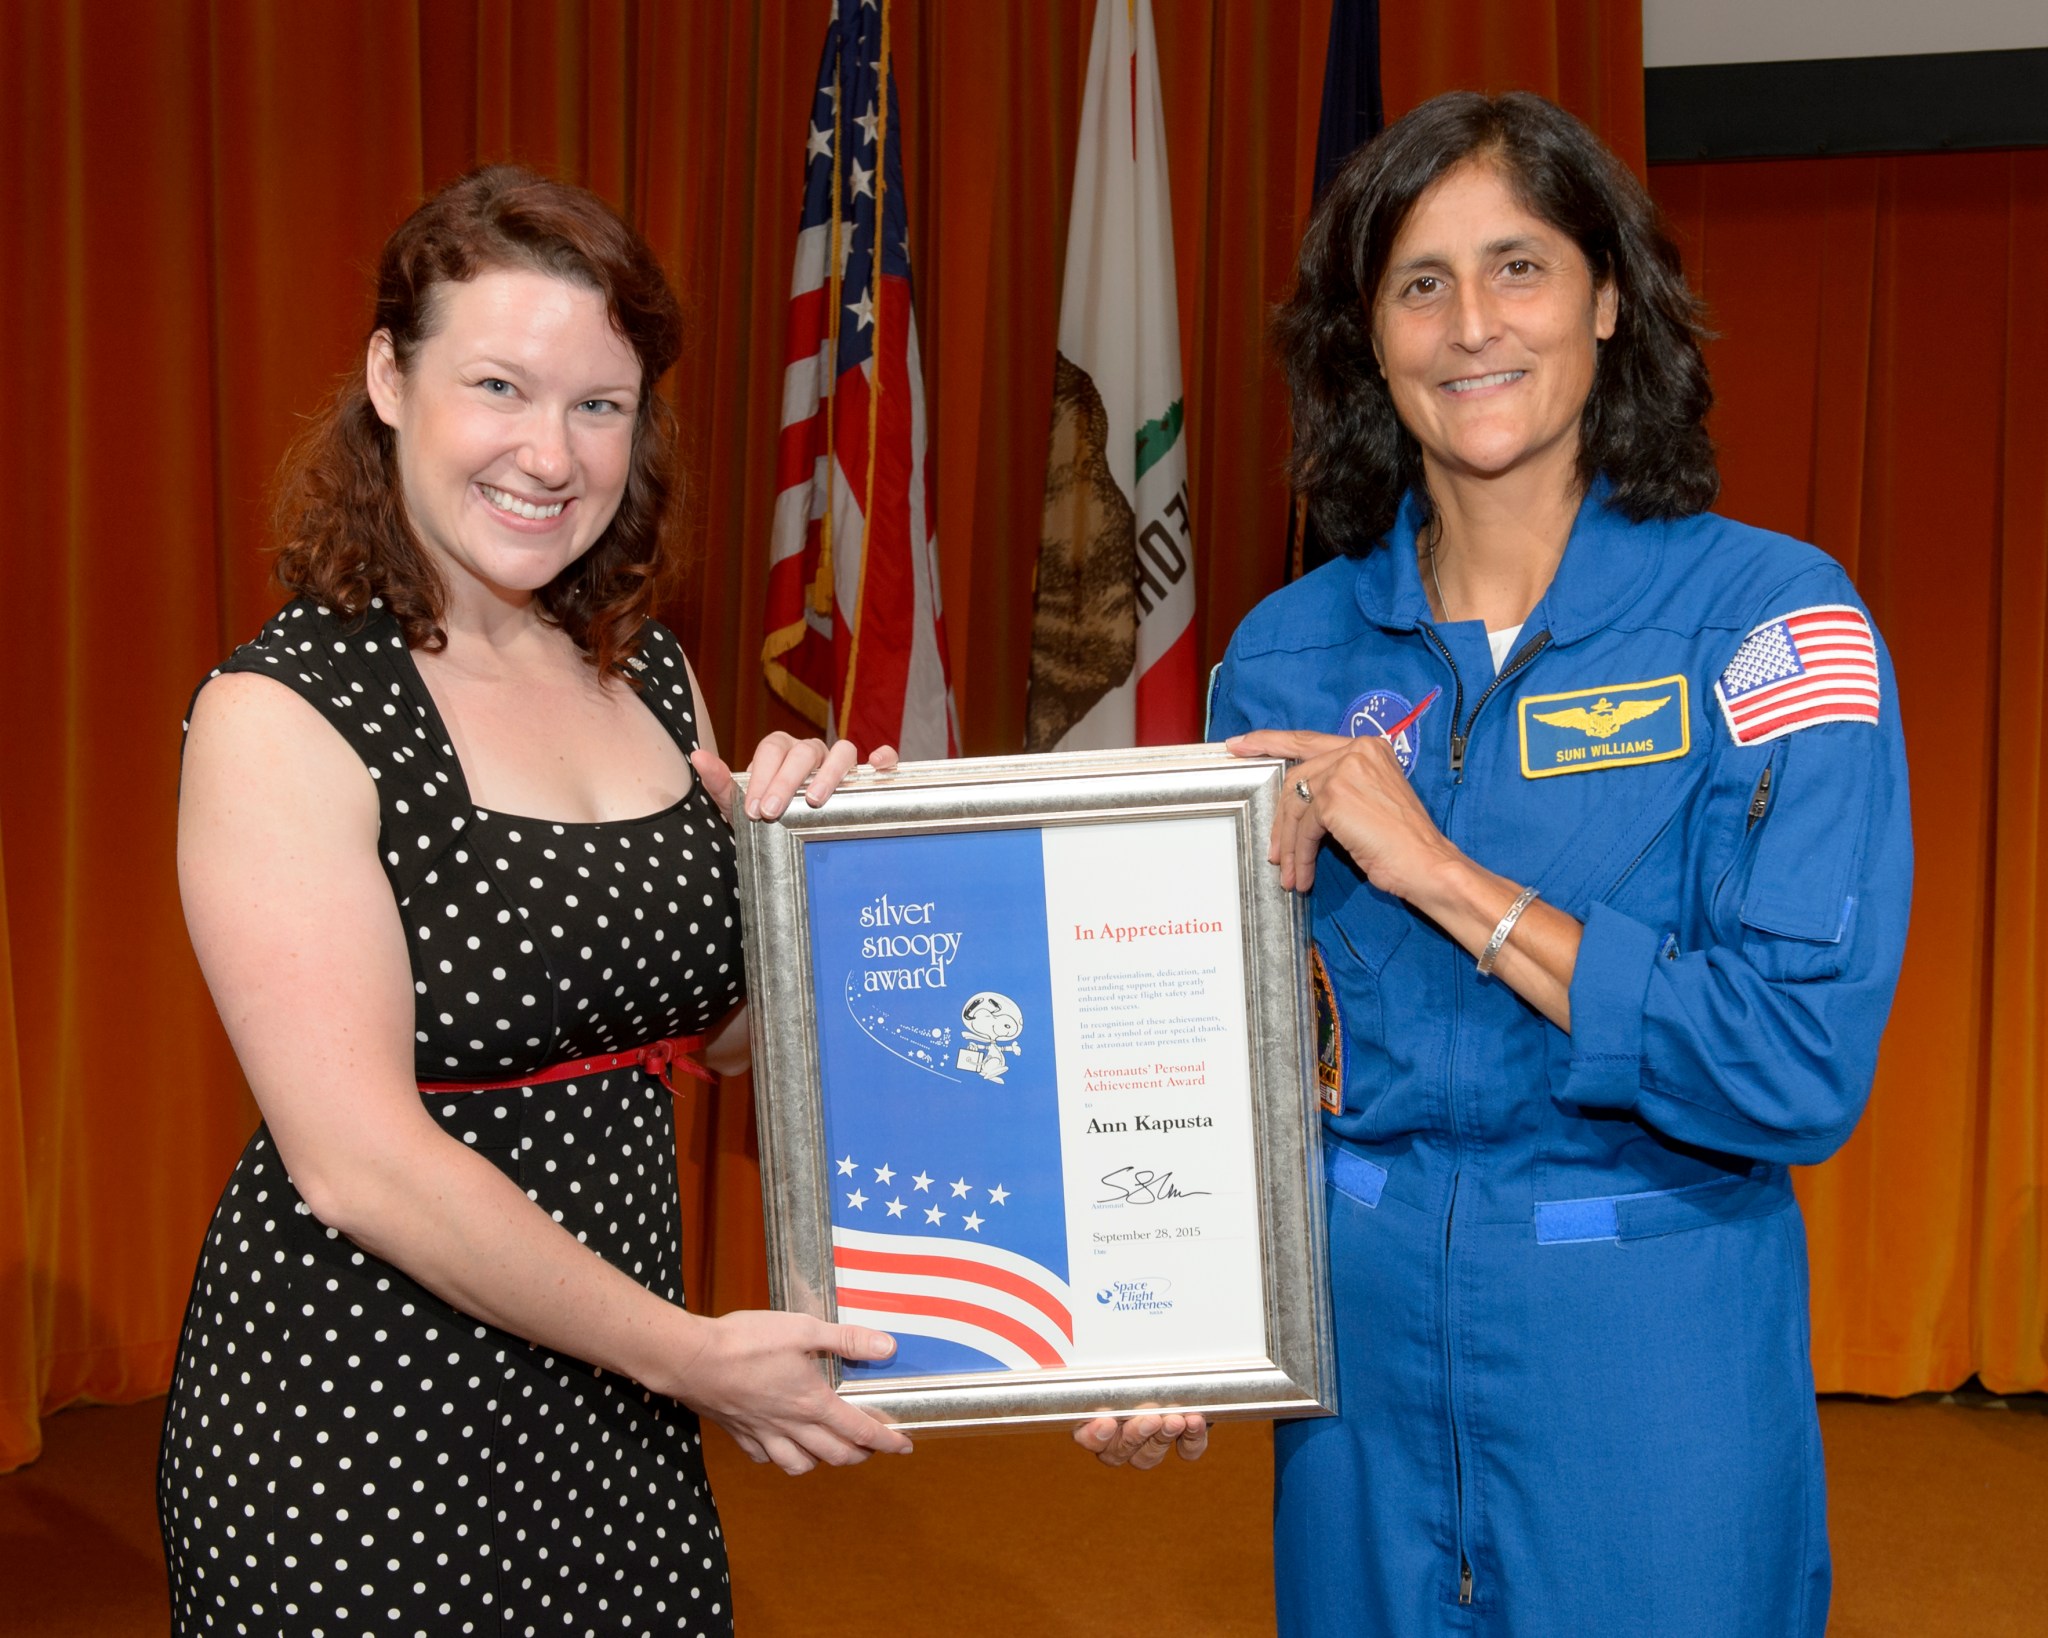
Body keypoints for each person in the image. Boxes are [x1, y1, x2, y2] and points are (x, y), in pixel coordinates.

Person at [1080, 92, 1911, 1636]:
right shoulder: (1285, 651)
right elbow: (1227, 1057)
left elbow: (1794, 1067)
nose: (1473, 325)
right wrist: (1162, 1323)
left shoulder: (1781, 625)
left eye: (1518, 267)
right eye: (1420, 282)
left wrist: (1436, 870)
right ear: (1370, 337)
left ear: (1607, 297)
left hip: (1647, 1344)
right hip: (1362, 1361)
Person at [157, 166, 911, 1637]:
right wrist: (685, 1355)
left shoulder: (654, 676)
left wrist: (818, 870)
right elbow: (358, 1164)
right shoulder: (287, 710)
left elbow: (734, 1036)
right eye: (498, 384)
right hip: (359, 1424)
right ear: (389, 376)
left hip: (617, 1414)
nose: (548, 454)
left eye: (599, 405)